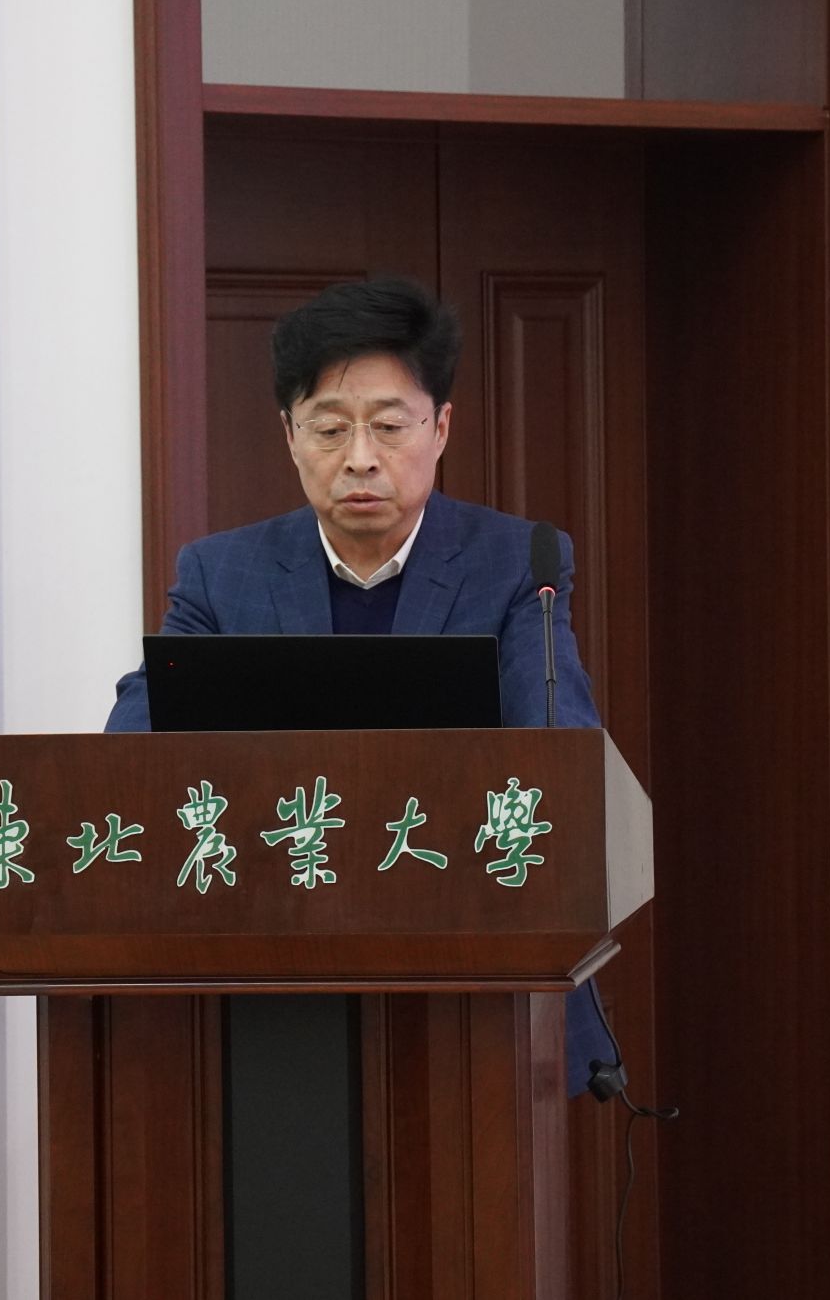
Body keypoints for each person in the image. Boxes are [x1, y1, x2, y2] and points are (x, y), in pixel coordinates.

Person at [105, 276, 618, 1096]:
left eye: (388, 424)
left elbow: (556, 739)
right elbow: (133, 745)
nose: (360, 457)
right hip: (269, 964)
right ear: (289, 435)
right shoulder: (221, 572)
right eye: (329, 427)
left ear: (440, 427)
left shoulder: (517, 562)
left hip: (470, 965)